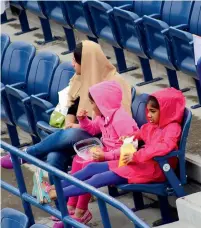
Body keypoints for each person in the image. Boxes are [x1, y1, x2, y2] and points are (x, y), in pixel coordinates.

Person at [37, 87, 186, 227]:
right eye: (148, 111)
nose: (148, 115)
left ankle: (56, 194)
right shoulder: (153, 125)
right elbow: (140, 133)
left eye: (153, 111)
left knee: (98, 179)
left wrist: (137, 156)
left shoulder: (172, 128)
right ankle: (55, 188)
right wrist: (128, 137)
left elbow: (163, 147)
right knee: (92, 167)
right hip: (138, 163)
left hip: (153, 169)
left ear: (166, 111)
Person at [1, 41, 132, 185]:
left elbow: (117, 120)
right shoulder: (80, 78)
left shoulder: (115, 82)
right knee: (53, 157)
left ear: (88, 63)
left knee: (72, 134)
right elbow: (73, 105)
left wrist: (77, 127)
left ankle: (27, 153)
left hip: (105, 139)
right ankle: (62, 202)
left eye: (76, 61)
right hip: (81, 133)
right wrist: (70, 123)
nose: (72, 65)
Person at [36, 80, 138, 225]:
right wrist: (82, 120)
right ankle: (71, 206)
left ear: (104, 103)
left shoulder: (122, 119)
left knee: (89, 165)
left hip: (119, 159)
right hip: (106, 153)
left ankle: (81, 210)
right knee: (78, 160)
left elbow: (130, 148)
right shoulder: (103, 116)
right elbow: (92, 129)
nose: (92, 105)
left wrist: (106, 155)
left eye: (93, 102)